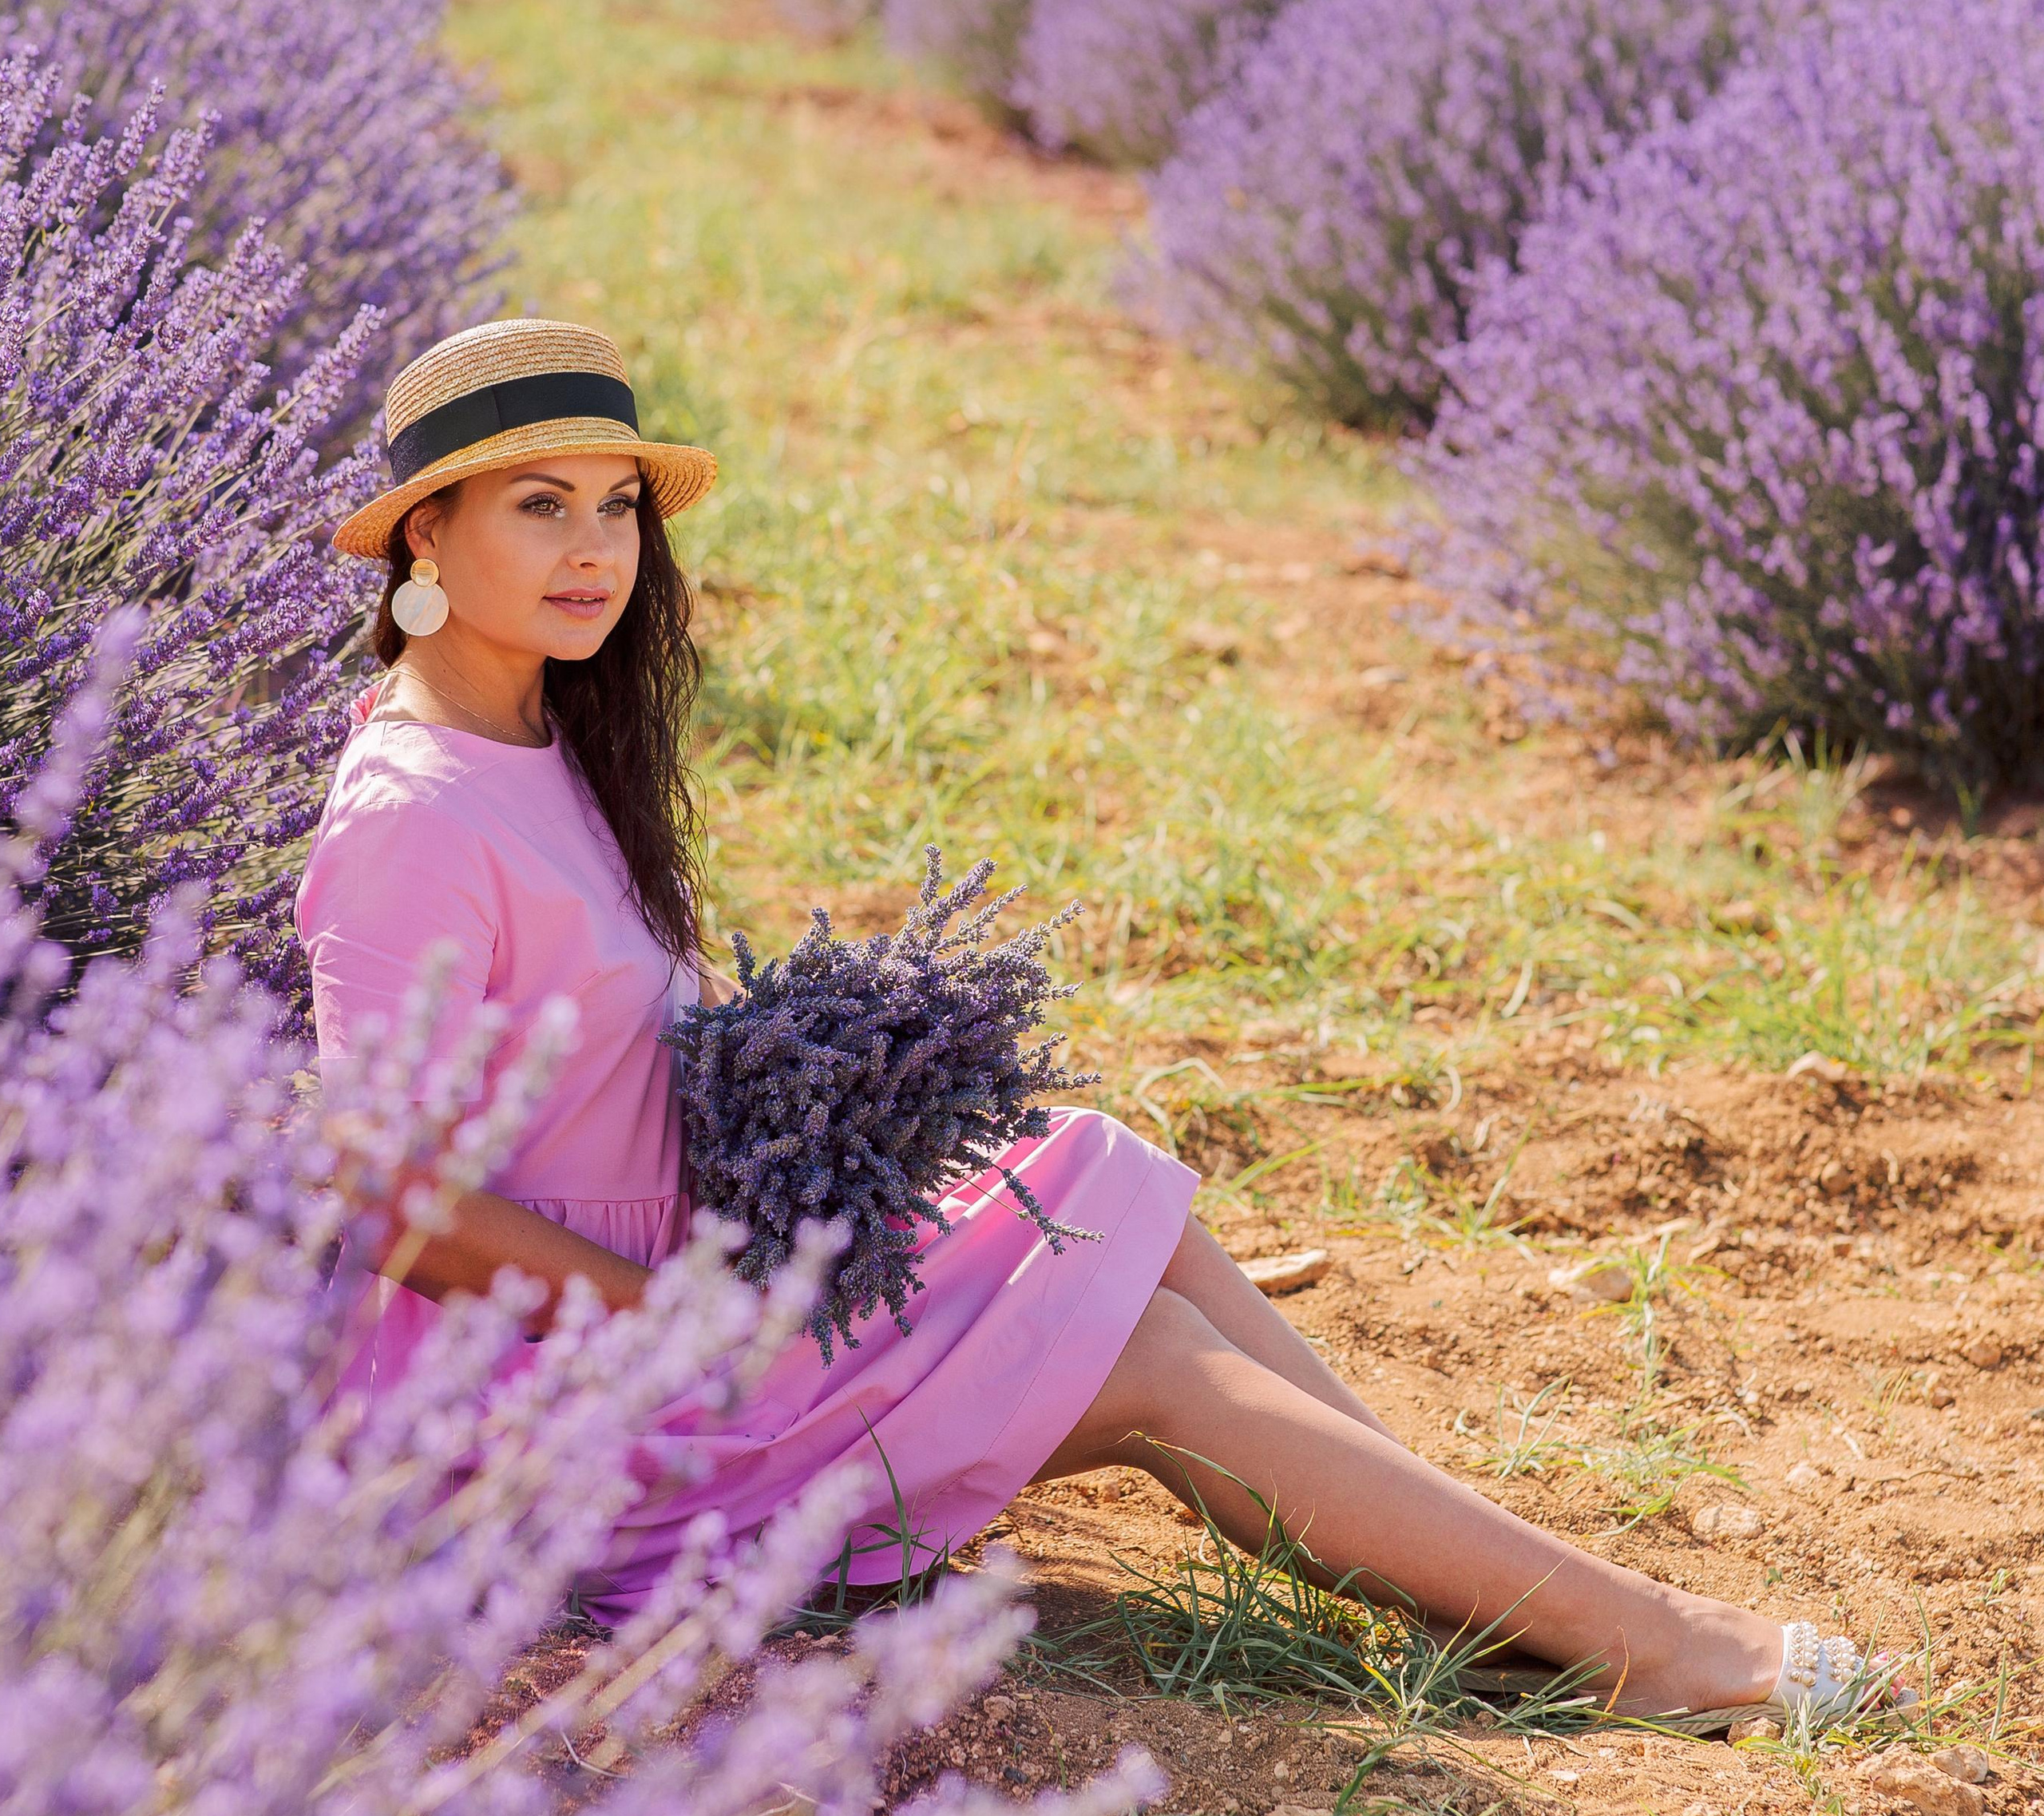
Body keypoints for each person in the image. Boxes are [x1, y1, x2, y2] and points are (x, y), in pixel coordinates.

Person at [299, 318, 1891, 1725]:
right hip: (558, 1422)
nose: (594, 546)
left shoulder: (546, 737)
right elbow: (384, 1192)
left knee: (1087, 1172)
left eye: (615, 504)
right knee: (1144, 1355)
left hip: (682, 1299)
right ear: (425, 535)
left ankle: (1474, 1586)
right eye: (537, 505)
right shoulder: (411, 809)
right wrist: (678, 1312)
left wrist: (822, 1117)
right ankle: (1648, 1644)